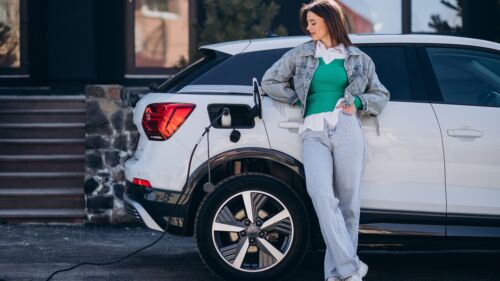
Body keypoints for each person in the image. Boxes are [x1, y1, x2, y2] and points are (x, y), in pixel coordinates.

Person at [261, 1, 389, 280]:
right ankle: (350, 267)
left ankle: (336, 275)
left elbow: (381, 95)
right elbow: (270, 80)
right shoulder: (301, 54)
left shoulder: (359, 59)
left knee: (348, 203)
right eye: (307, 23)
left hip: (345, 127)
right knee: (320, 195)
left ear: (330, 21)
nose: (308, 28)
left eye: (313, 22)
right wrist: (296, 98)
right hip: (313, 130)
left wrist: (357, 101)